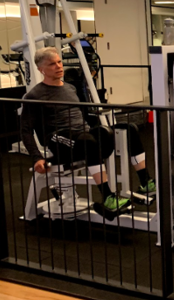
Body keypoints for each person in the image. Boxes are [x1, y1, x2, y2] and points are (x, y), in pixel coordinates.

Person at [21, 47, 155, 220]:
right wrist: (37, 157)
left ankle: (145, 182)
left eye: (59, 62)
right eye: (52, 64)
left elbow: (82, 115)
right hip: (58, 137)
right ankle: (108, 197)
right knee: (88, 141)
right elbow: (25, 130)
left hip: (82, 134)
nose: (58, 66)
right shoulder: (34, 95)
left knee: (129, 128)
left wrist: (100, 129)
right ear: (41, 69)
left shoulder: (70, 88)